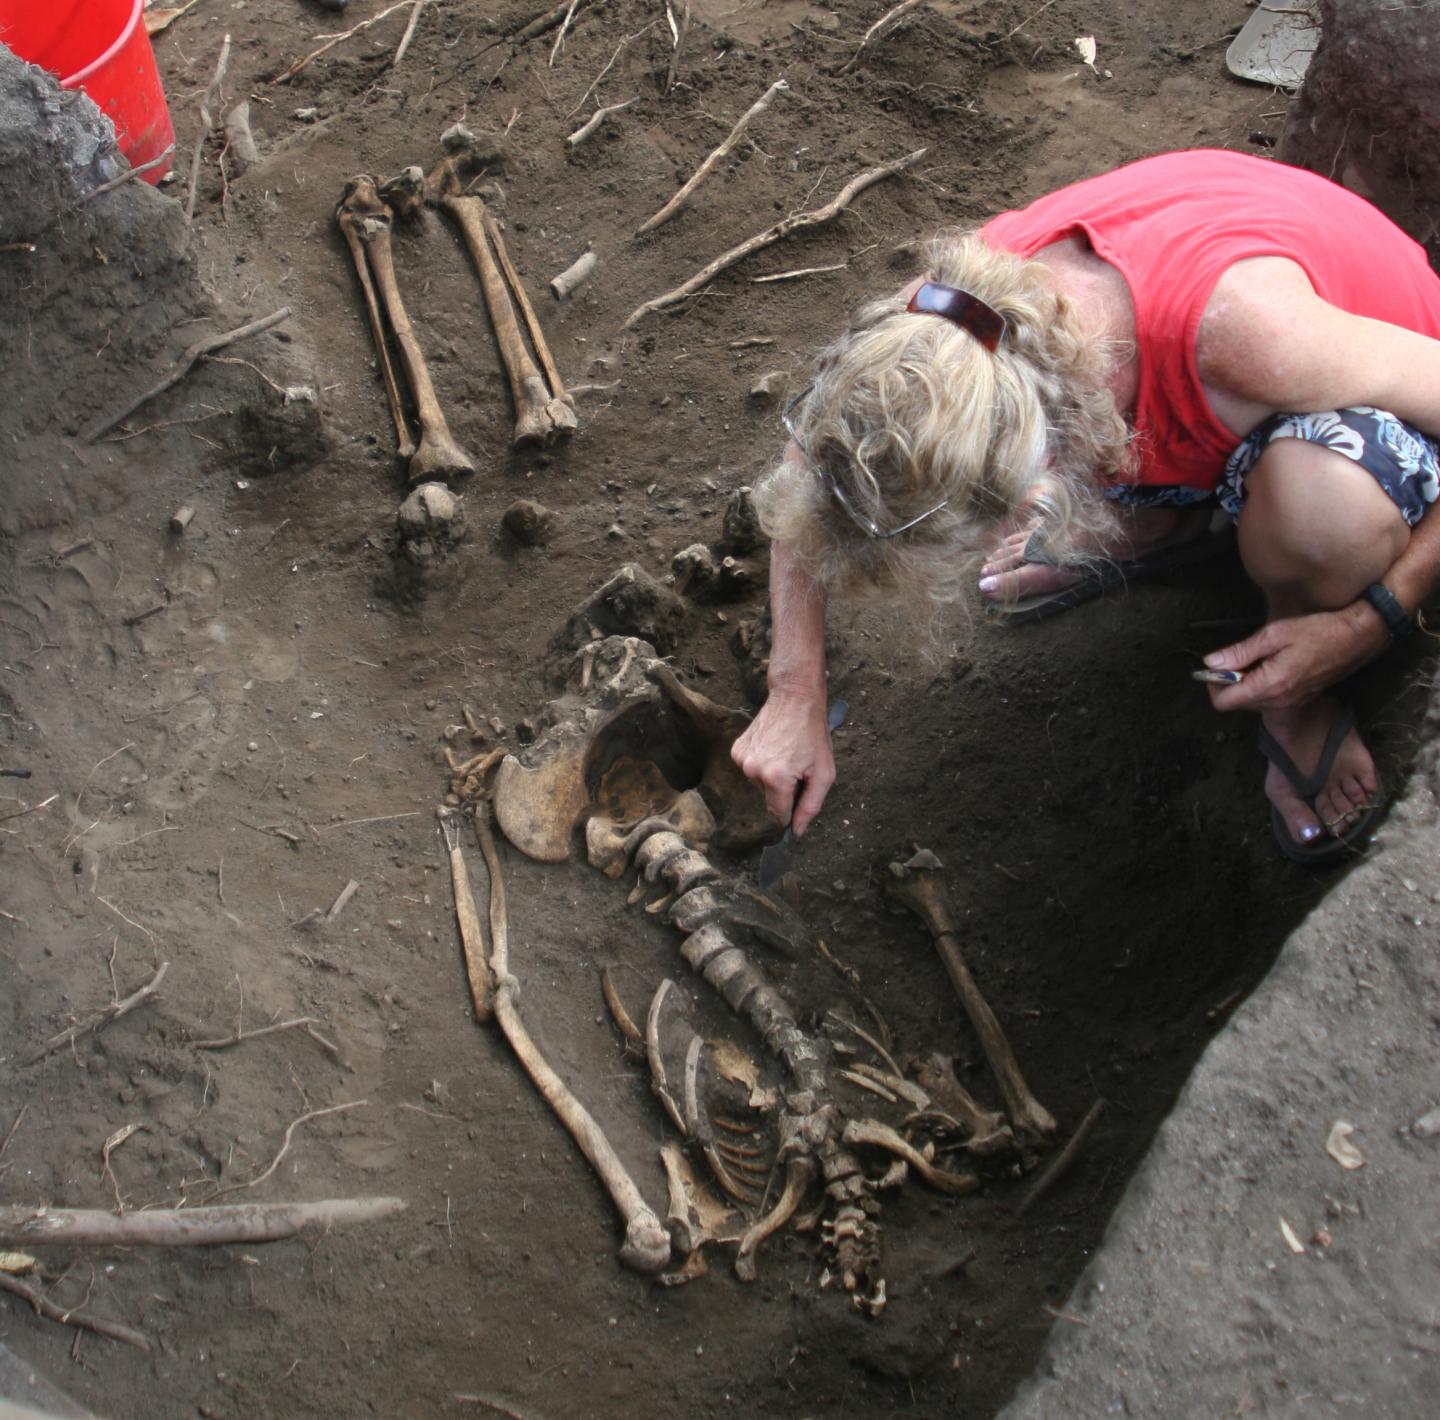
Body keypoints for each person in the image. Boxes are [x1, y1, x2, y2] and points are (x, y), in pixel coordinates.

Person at [730, 149, 1440, 863]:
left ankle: (1299, 689)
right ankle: (1165, 521)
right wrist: (794, 688)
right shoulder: (947, 324)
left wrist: (1369, 618)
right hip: (1185, 381)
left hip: (1372, 379)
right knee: (1205, 442)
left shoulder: (1258, 339)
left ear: (1039, 479)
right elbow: (813, 467)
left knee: (1324, 516)